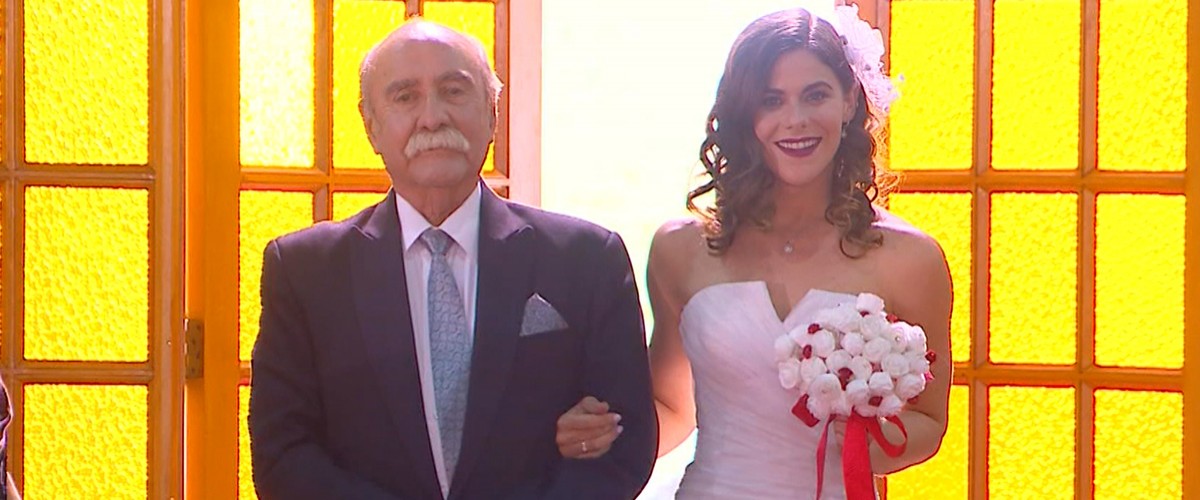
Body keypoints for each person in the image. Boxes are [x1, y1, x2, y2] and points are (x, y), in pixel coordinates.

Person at [249, 19, 657, 499]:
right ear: (371, 126)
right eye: (405, 97)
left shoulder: (586, 259)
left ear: (492, 113)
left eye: (453, 91)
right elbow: (283, 455)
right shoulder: (305, 271)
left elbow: (626, 445)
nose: (432, 118)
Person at [556, 5, 952, 498]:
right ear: (745, 114)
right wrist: (597, 433)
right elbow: (673, 409)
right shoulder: (680, 251)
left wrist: (858, 439)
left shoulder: (911, 260)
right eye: (771, 100)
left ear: (850, 100)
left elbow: (929, 419)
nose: (796, 120)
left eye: (816, 95)